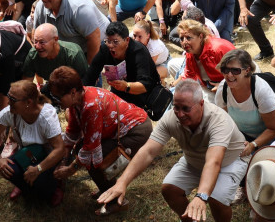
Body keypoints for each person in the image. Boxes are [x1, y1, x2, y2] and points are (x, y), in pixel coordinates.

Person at [97, 80, 247, 222]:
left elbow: (214, 161)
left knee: (216, 198)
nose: (180, 114)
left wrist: (201, 196)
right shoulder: (170, 118)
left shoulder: (218, 120)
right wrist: (121, 183)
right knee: (170, 189)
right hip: (195, 160)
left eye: (186, 108)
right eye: (176, 107)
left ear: (201, 104)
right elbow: (148, 151)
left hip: (229, 161)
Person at [50, 66, 153, 208]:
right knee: (85, 153)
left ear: (73, 92)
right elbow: (71, 133)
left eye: (57, 97)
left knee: (93, 161)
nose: (55, 101)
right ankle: (106, 189)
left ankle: (114, 201)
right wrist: (64, 159)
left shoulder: (90, 105)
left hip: (136, 130)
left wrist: (69, 170)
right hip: (120, 129)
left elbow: (90, 148)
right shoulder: (77, 102)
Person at [0, 80, 65, 205]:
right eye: (8, 97)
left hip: (50, 157)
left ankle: (55, 188)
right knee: (8, 169)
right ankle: (26, 186)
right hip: (29, 154)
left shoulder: (46, 116)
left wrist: (38, 169)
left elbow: (59, 149)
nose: (9, 102)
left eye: (13, 99)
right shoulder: (10, 112)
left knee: (41, 185)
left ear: (28, 102)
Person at [214, 49, 275, 153]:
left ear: (247, 70)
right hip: (246, 136)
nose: (229, 75)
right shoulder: (223, 89)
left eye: (235, 71)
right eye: (225, 70)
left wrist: (254, 145)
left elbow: (274, 129)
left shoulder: (260, 90)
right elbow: (223, 121)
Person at [85, 21, 161, 110]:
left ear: (127, 40)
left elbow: (145, 85)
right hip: (118, 90)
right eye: (108, 41)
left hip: (140, 95)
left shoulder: (139, 52)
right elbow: (90, 75)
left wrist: (126, 86)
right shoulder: (105, 49)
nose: (111, 46)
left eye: (115, 42)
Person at [33, 0, 109, 63]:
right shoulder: (40, 6)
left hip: (96, 41)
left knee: (90, 72)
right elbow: (36, 33)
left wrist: (89, 70)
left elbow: (94, 38)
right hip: (71, 45)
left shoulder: (78, 8)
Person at [175, 19, 234, 101]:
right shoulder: (191, 52)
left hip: (231, 87)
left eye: (188, 38)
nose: (184, 42)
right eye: (181, 39)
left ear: (201, 36)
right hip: (209, 86)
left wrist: (224, 85)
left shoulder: (218, 48)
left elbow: (239, 72)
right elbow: (189, 76)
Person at [22, 23, 89, 81]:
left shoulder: (73, 54)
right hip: (53, 86)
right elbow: (26, 84)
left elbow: (86, 81)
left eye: (42, 42)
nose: (37, 46)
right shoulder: (33, 55)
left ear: (55, 39)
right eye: (35, 42)